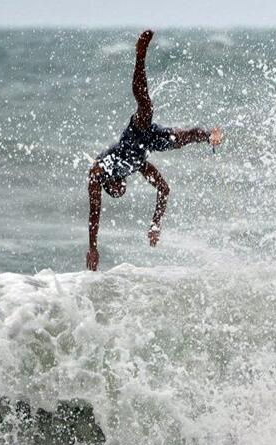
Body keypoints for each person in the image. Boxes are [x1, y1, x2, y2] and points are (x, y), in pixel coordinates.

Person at [86, 30, 223, 271]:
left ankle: (140, 55)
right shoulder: (137, 166)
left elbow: (94, 213)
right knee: (181, 138)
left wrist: (93, 247)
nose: (121, 190)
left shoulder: (100, 171)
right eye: (121, 191)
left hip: (133, 137)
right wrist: (155, 225)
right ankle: (209, 136)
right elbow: (164, 188)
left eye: (117, 190)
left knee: (146, 106)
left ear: (111, 185)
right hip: (148, 143)